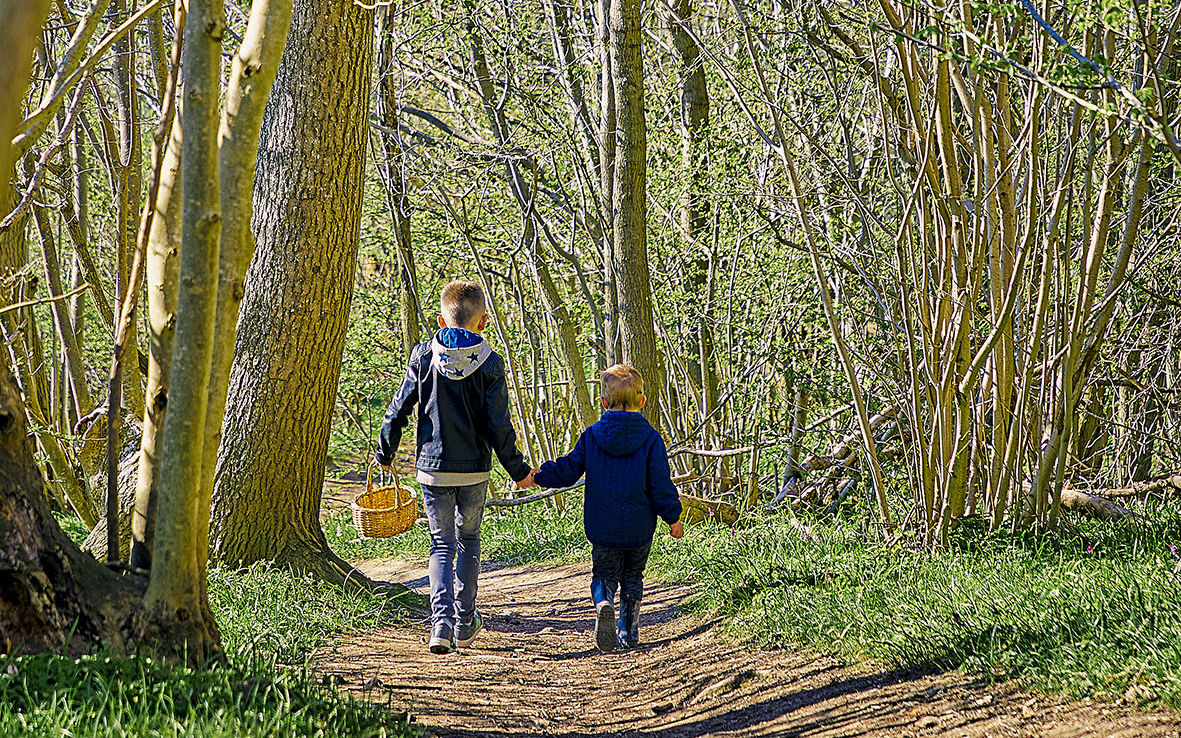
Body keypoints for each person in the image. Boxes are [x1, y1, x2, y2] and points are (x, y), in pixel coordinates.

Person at [375, 280, 536, 654]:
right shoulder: (491, 363)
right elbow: (499, 426)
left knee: (441, 543)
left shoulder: (422, 355)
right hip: (475, 471)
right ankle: (465, 623)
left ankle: (441, 624)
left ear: (441, 320)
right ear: (483, 322)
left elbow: (398, 409)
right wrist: (518, 471)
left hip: (433, 469)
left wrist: (385, 452)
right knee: (469, 539)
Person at [533, 364, 683, 652]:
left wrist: (538, 475)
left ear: (603, 402)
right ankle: (628, 630)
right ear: (642, 401)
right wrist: (673, 518)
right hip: (639, 528)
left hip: (603, 527)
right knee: (633, 576)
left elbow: (568, 470)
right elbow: (660, 484)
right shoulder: (651, 439)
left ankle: (603, 602)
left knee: (604, 574)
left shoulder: (591, 436)